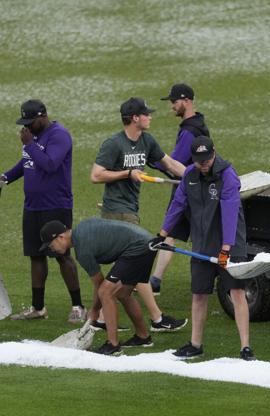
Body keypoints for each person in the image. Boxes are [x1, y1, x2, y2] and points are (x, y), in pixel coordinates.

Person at [90, 97, 187, 333]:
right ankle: (157, 318)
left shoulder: (146, 140)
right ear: (135, 118)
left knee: (127, 267)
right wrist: (127, 173)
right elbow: (96, 175)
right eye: (146, 114)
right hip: (116, 212)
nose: (150, 116)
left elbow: (169, 164)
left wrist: (194, 178)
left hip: (130, 210)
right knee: (140, 259)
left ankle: (101, 318)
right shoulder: (114, 144)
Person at [153, 136, 255, 360]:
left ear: (214, 152)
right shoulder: (189, 175)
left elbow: (229, 214)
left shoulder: (228, 175)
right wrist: (161, 234)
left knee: (236, 292)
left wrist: (226, 248)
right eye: (200, 160)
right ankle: (195, 344)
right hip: (202, 244)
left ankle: (245, 347)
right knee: (199, 294)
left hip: (230, 245)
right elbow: (177, 205)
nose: (204, 163)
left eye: (207, 159)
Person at [0, 100, 86, 324]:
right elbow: (27, 162)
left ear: (42, 116)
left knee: (62, 256)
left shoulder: (59, 135)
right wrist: (5, 178)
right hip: (33, 206)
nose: (27, 127)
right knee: (36, 256)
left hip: (56, 206)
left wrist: (29, 145)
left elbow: (50, 164)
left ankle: (78, 306)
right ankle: (38, 308)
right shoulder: (33, 138)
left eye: (30, 122)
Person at [39, 219, 157, 356]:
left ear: (61, 237)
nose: (50, 249)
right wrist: (95, 309)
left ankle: (113, 345)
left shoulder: (82, 250)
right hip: (147, 243)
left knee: (106, 292)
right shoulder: (81, 230)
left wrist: (94, 309)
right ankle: (143, 337)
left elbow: (100, 284)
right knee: (123, 293)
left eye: (50, 244)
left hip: (138, 247)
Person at [148, 83, 211, 295]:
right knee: (175, 233)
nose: (172, 107)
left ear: (186, 101)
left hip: (187, 191)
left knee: (171, 232)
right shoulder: (199, 124)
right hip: (197, 189)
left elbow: (175, 165)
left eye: (174, 102)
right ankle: (155, 281)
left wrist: (153, 159)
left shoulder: (188, 132)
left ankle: (202, 280)